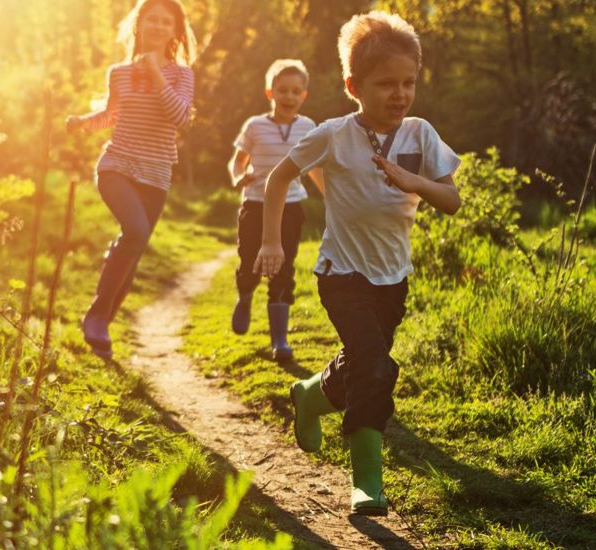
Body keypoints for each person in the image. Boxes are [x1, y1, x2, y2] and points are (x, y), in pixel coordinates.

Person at [252, 11, 462, 516]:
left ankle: (310, 395)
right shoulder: (333, 134)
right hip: (342, 273)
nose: (399, 93)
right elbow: (279, 179)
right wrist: (271, 243)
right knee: (374, 366)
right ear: (353, 85)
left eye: (408, 82)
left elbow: (452, 200)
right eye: (385, 83)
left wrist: (417, 184)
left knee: (363, 364)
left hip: (394, 278)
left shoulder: (420, 134)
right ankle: (367, 481)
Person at [64, 0, 197, 361]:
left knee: (132, 251)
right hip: (117, 164)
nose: (157, 26)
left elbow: (180, 118)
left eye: (165, 22)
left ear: (174, 31)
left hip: (156, 173)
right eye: (151, 19)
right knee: (136, 232)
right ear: (138, 25)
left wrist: (156, 74)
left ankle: (101, 326)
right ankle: (97, 315)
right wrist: (82, 123)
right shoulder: (118, 73)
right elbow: (112, 115)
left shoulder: (182, 75)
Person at [226, 59, 317, 362]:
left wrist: (335, 196)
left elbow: (316, 167)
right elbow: (237, 160)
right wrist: (238, 177)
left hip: (291, 207)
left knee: (283, 267)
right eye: (283, 91)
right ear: (270, 93)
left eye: (295, 91)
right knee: (250, 261)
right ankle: (245, 294)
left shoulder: (308, 127)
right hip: (254, 204)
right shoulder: (255, 125)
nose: (289, 96)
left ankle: (279, 340)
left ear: (303, 95)